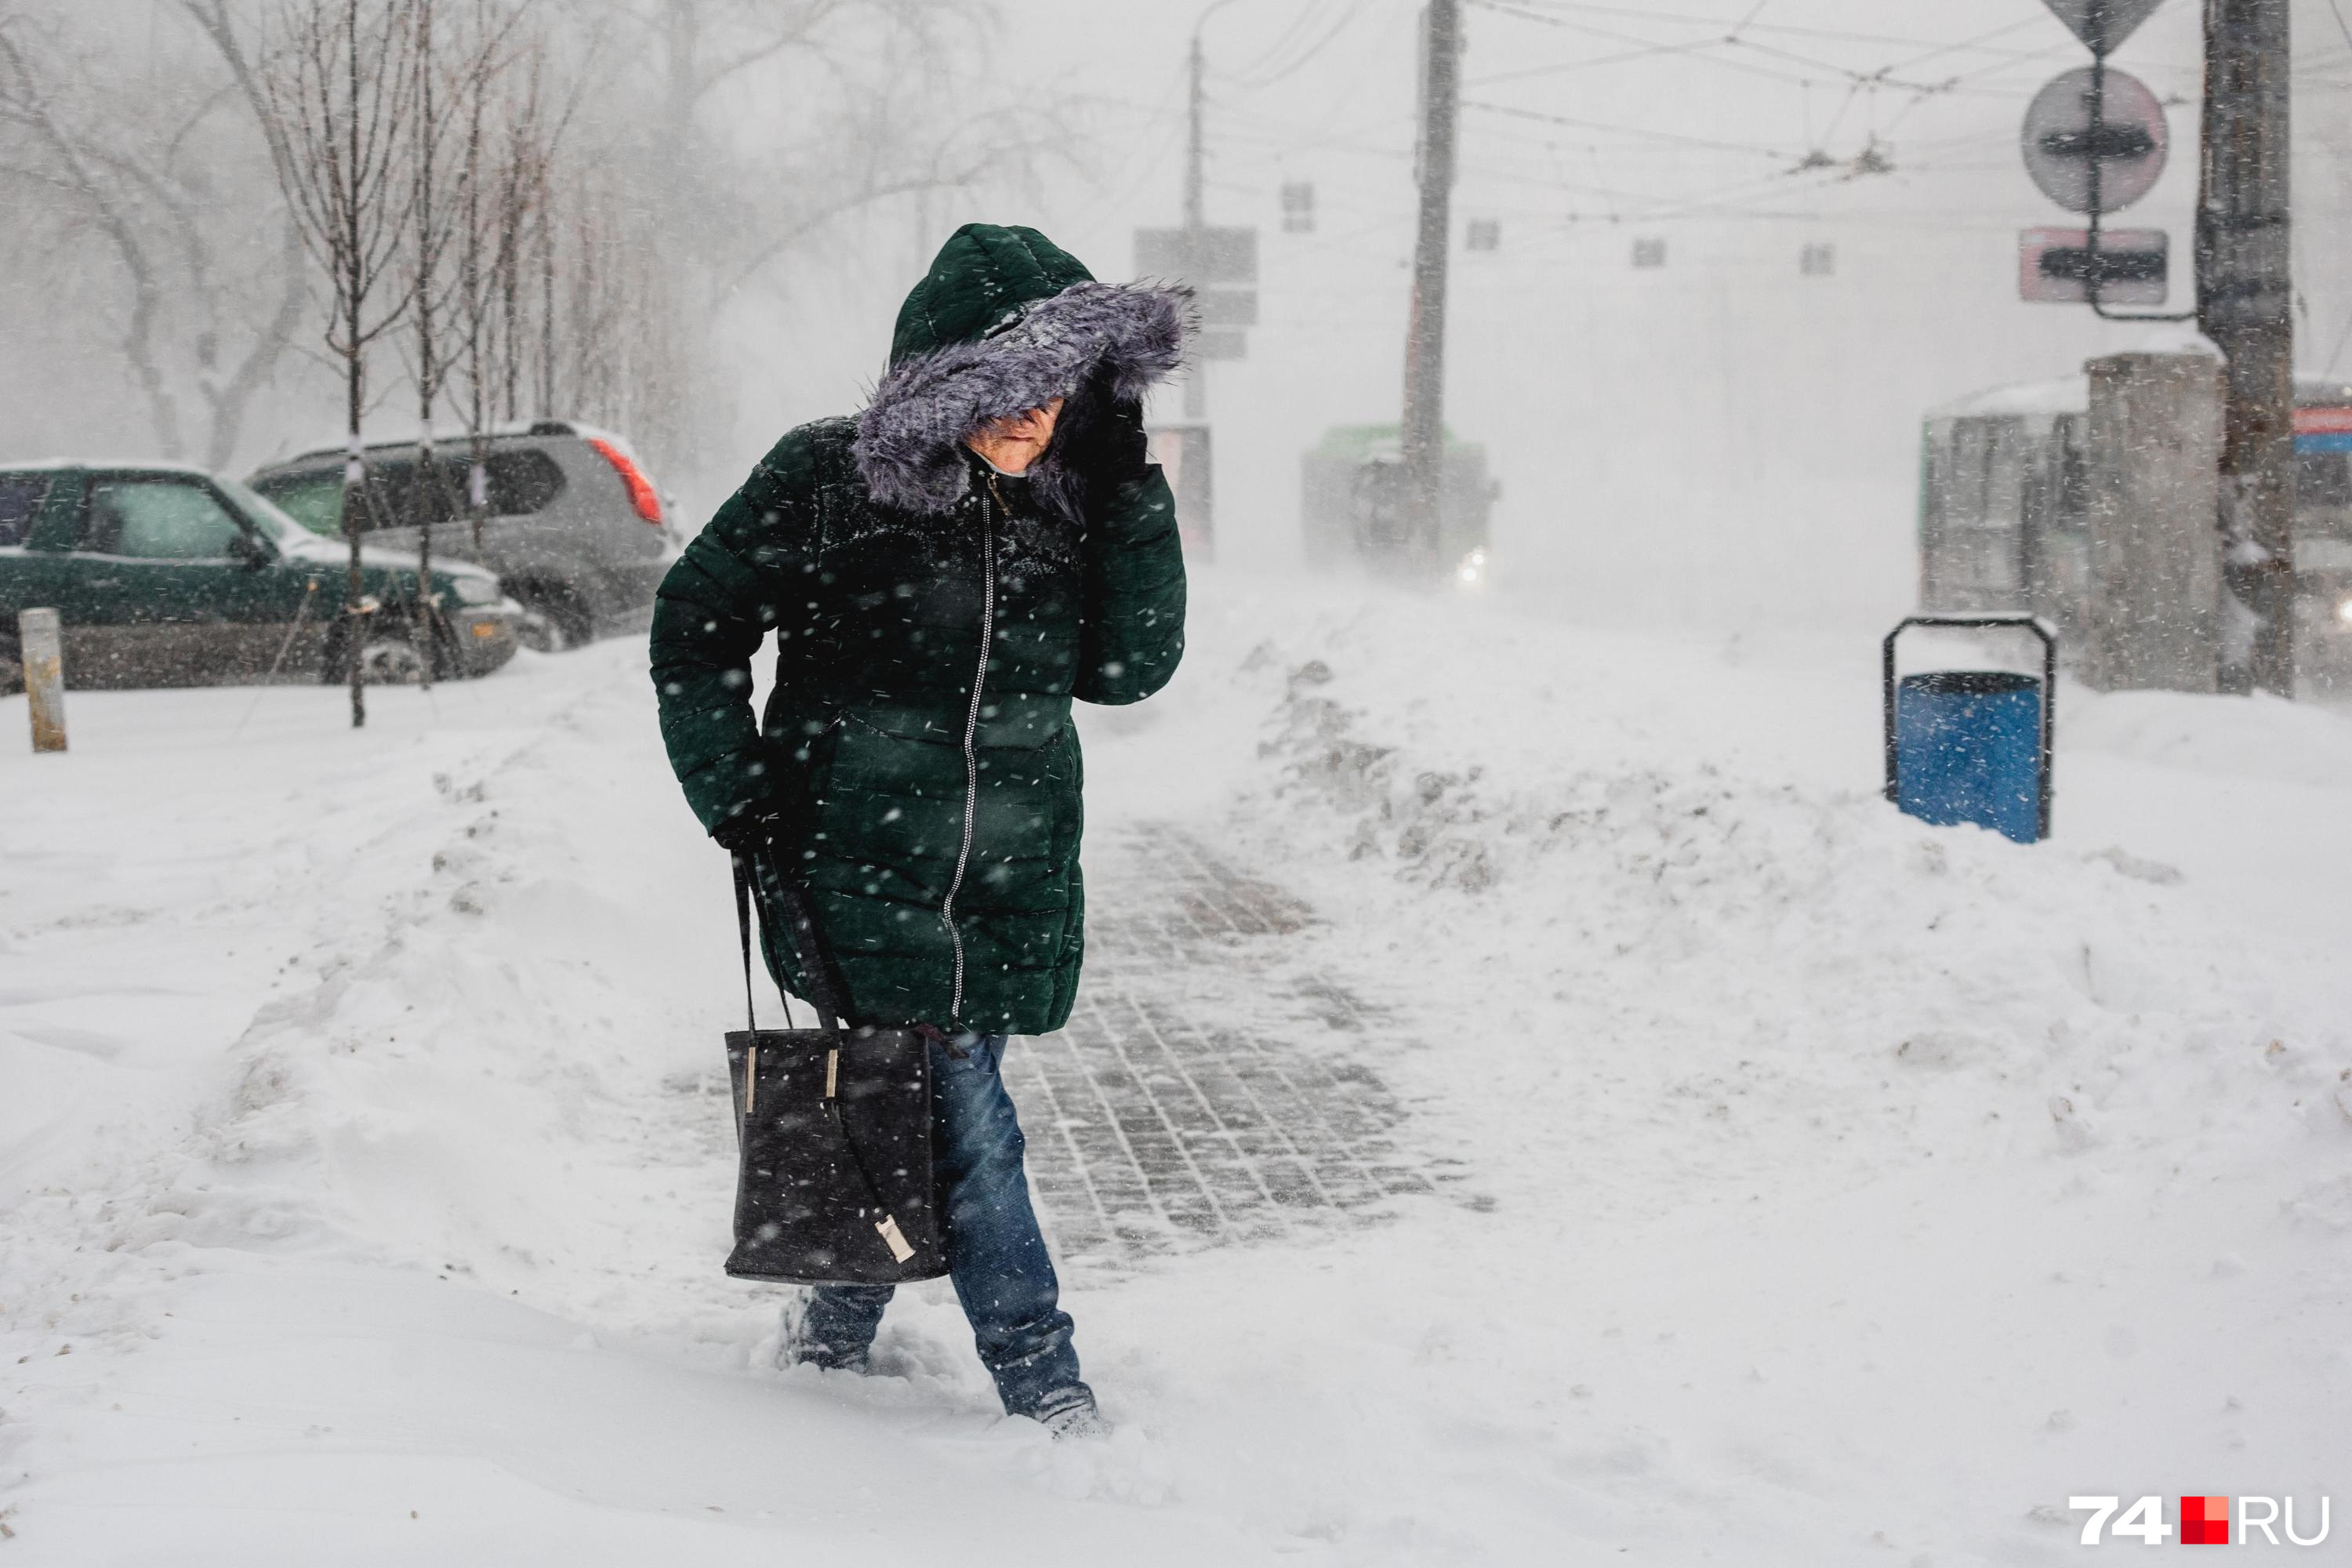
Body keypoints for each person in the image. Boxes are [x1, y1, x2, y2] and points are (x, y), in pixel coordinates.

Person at [648, 224, 1190, 1439]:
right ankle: (1041, 1376)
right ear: (942, 377)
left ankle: (831, 1332)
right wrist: (738, 794)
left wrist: (1131, 481)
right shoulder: (827, 479)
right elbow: (695, 625)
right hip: (853, 859)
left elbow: (1129, 668)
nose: (1029, 414)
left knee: (914, 1098)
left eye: (1058, 388)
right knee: (965, 1121)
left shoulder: (1070, 505)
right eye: (1002, 386)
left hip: (1005, 877)